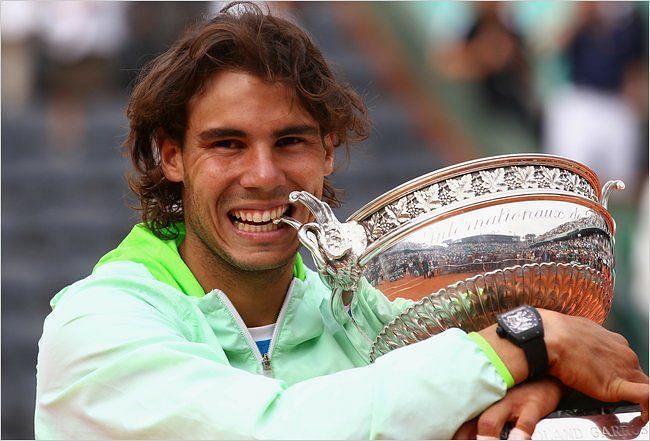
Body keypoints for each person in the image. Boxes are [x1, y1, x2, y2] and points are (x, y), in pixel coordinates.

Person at [35, 3, 648, 439]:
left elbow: (582, 363)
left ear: (328, 151)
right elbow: (273, 431)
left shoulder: (367, 310)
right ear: (171, 156)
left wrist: (538, 386)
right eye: (227, 145)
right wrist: (524, 343)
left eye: (291, 141)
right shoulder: (96, 326)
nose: (264, 175)